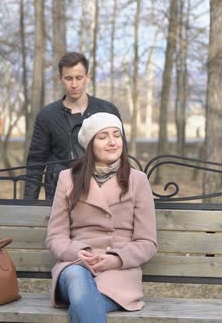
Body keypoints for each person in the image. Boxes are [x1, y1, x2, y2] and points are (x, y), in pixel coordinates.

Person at [45, 113, 157, 323]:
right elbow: (55, 236)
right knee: (79, 283)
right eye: (103, 136)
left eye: (117, 135)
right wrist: (76, 252)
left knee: (83, 304)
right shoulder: (68, 178)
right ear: (90, 145)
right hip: (75, 266)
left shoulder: (137, 180)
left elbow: (147, 242)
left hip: (118, 272)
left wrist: (116, 259)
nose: (113, 142)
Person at [23, 52, 121, 200]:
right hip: (59, 194)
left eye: (79, 78)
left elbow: (121, 153)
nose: (74, 84)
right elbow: (36, 162)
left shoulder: (107, 110)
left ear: (88, 77)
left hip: (102, 193)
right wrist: (29, 204)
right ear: (60, 78)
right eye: (68, 78)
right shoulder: (47, 115)